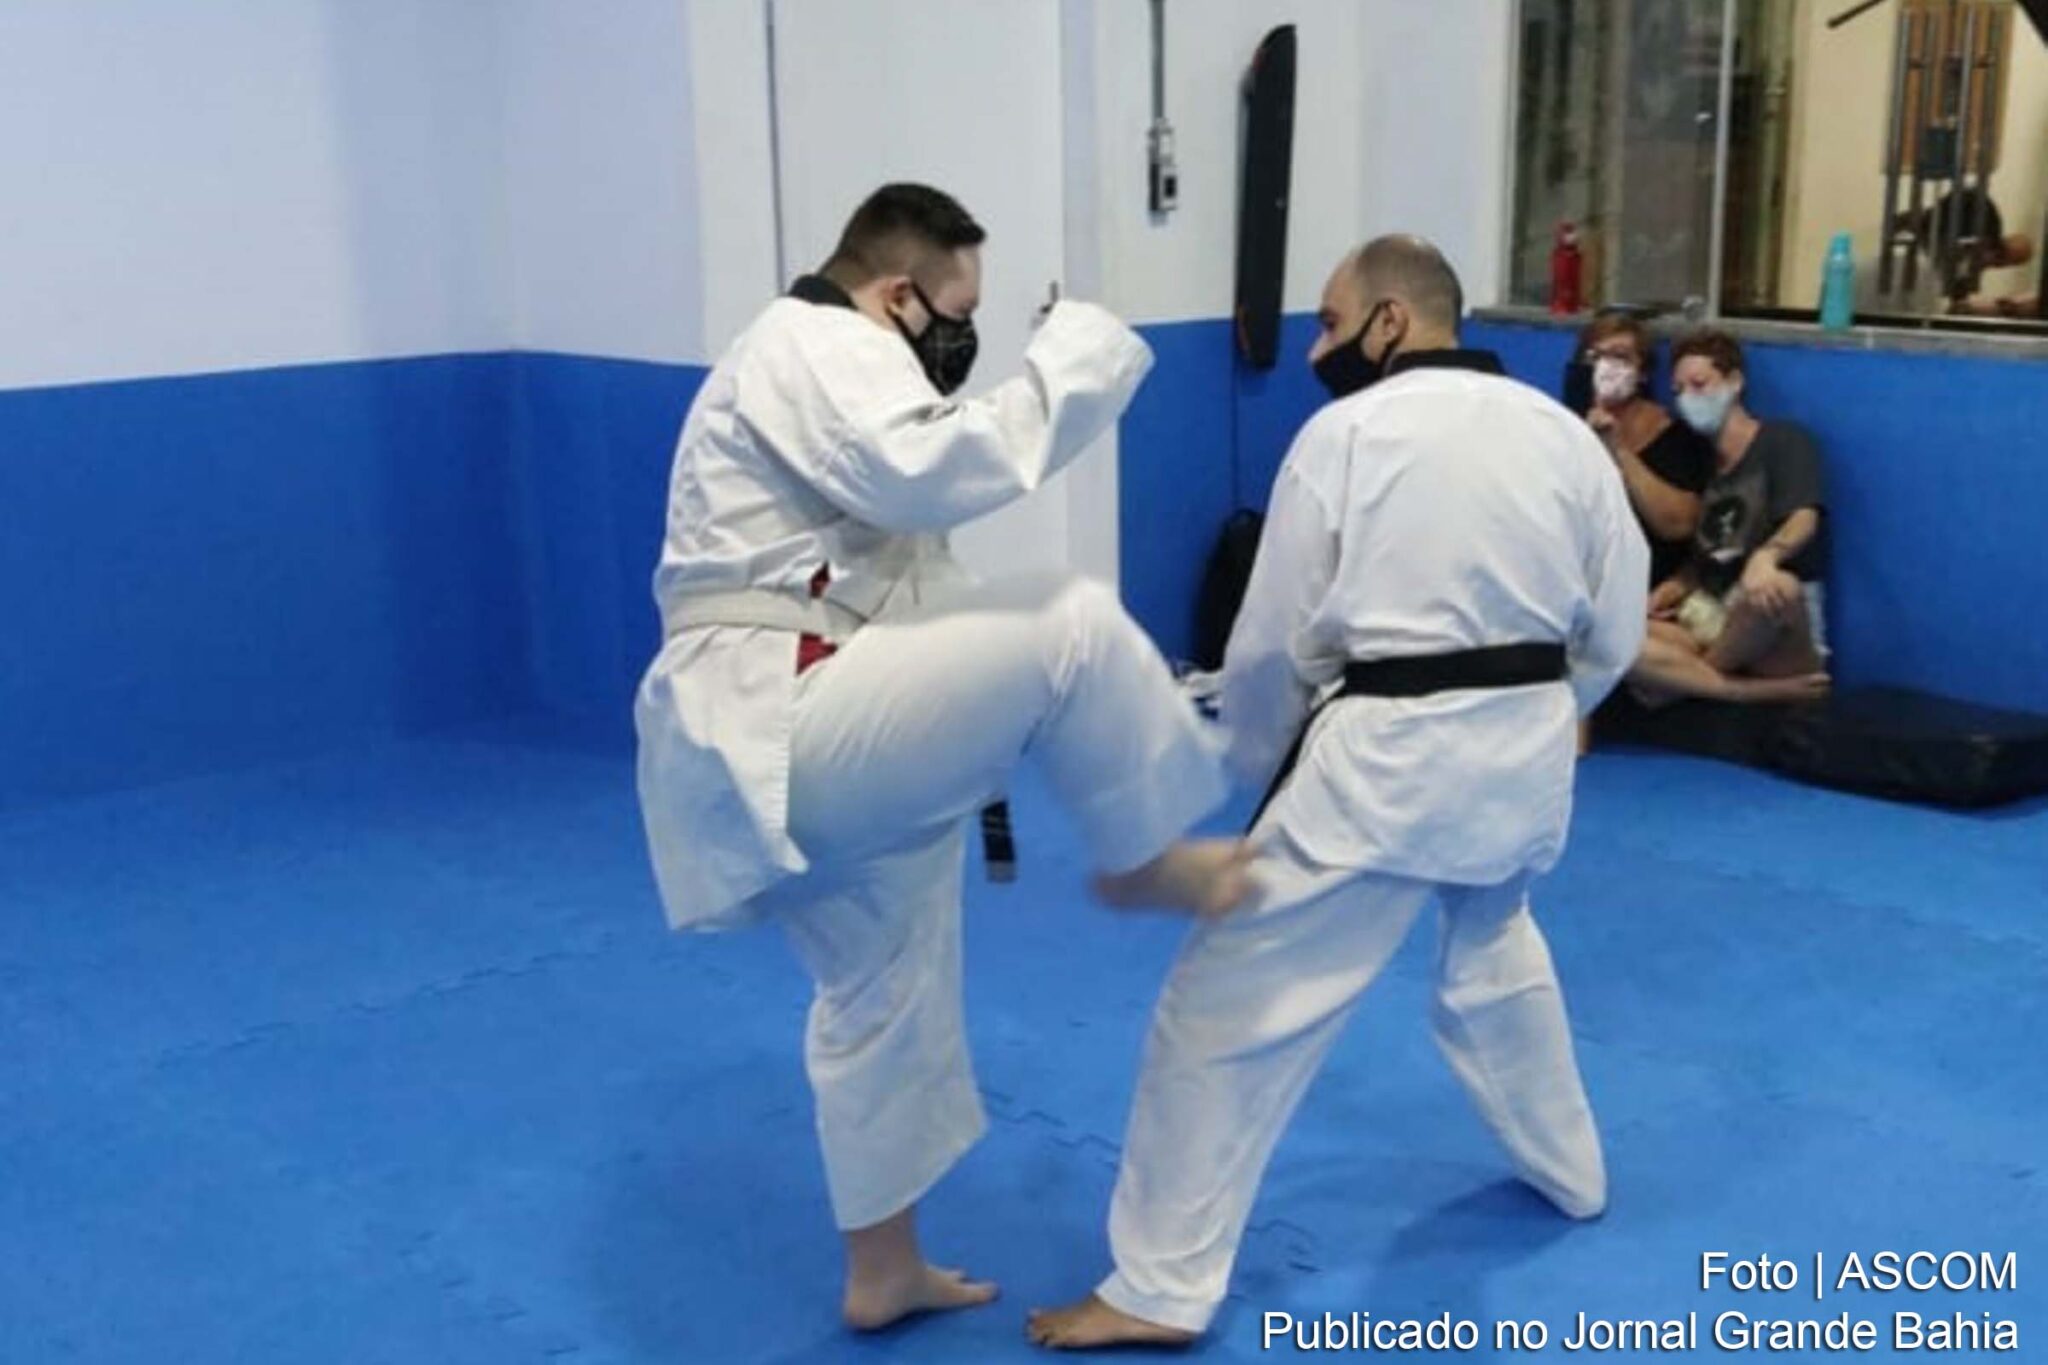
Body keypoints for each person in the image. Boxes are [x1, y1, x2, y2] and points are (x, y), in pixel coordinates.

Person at [634, 183, 1253, 1333]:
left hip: (793, 730)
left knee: (884, 987)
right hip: (785, 716)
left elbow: (931, 599)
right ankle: (1144, 858)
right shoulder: (811, 341)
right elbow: (935, 471)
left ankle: (883, 1270)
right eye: (957, 308)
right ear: (896, 292)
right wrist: (1071, 349)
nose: (965, 334)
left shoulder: (842, 384)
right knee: (1066, 618)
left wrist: (984, 757)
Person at [1028, 235, 1647, 1350]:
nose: (1317, 346)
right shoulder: (1567, 442)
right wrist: (1552, 711)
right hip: (1520, 760)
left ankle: (1155, 1288)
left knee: (1219, 1012)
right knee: (1493, 948)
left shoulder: (1346, 433)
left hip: (1385, 767)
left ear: (1390, 323)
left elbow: (1269, 648)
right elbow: (1612, 628)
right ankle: (1573, 1175)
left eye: (1328, 321)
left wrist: (1259, 768)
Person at [1627, 329, 1830, 708]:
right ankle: (1736, 690)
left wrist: (1766, 557)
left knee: (1777, 590)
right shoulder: (1700, 464)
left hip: (1769, 629)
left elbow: (1804, 519)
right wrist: (1672, 588)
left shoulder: (1783, 440)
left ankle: (1683, 681)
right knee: (1615, 638)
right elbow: (1705, 560)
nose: (1688, 398)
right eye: (1678, 390)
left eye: (1699, 384)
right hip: (1710, 620)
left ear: (1735, 382)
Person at [1574, 310, 1714, 587]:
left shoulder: (1678, 437)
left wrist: (1618, 452)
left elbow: (1679, 525)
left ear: (1643, 372)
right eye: (1596, 356)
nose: (1607, 367)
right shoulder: (1568, 429)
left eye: (1621, 357)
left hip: (1649, 590)